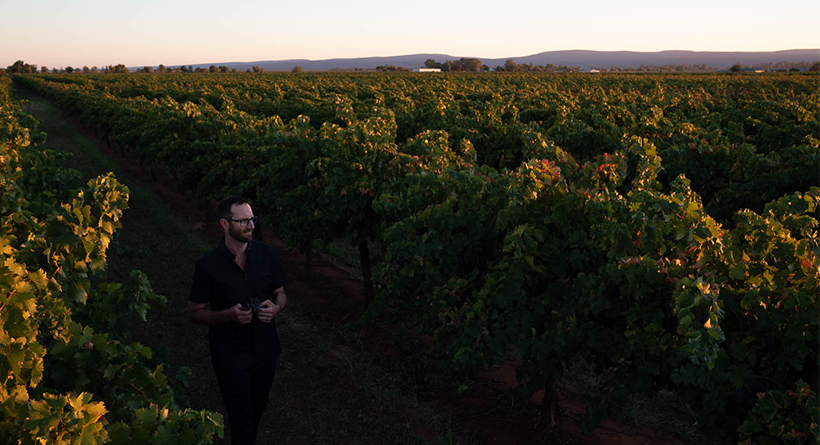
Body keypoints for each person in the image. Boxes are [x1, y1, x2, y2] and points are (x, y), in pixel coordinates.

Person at [189, 195, 288, 445]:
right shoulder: (208, 266)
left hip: (265, 350)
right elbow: (196, 312)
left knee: (255, 412)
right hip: (230, 354)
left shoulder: (266, 253)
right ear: (225, 224)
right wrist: (227, 315)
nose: (251, 226)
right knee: (241, 418)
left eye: (252, 219)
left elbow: (280, 294)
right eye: (243, 221)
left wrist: (275, 309)